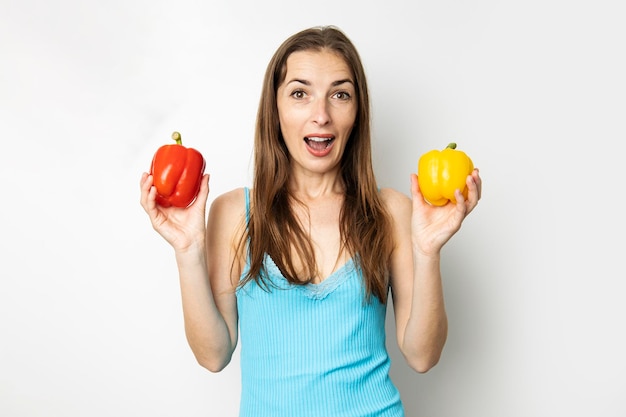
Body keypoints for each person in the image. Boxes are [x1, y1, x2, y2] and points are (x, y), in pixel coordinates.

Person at [140, 25, 481, 417]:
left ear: (357, 112)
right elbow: (214, 354)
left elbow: (422, 356)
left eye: (340, 95)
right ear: (276, 108)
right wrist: (187, 251)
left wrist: (428, 251)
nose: (321, 115)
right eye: (300, 93)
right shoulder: (234, 213)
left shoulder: (390, 211)